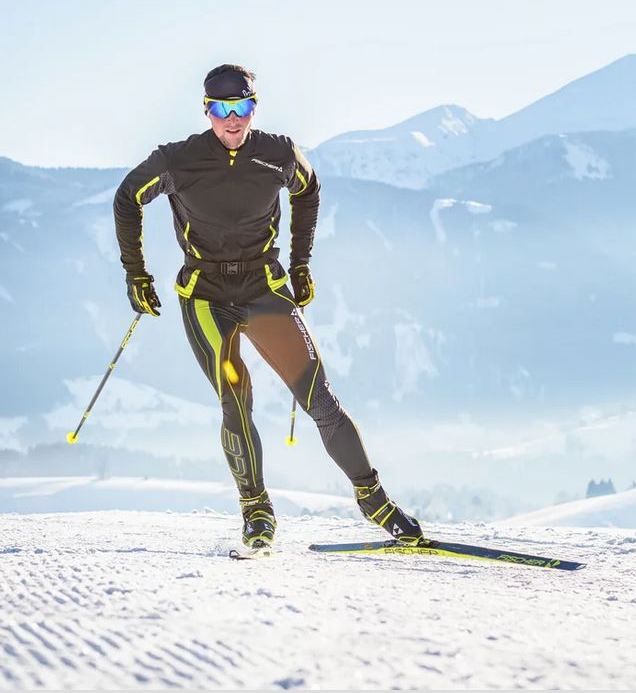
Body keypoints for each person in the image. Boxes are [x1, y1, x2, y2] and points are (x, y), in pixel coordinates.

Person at [112, 64, 422, 550]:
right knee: (235, 397)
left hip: (264, 290)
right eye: (221, 109)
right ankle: (256, 511)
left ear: (254, 107)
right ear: (207, 110)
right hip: (206, 298)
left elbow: (308, 191)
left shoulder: (278, 153)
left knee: (320, 399)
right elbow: (127, 198)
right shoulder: (178, 160)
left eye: (242, 106)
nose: (232, 119)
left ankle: (374, 500)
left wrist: (301, 264)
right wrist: (136, 274)